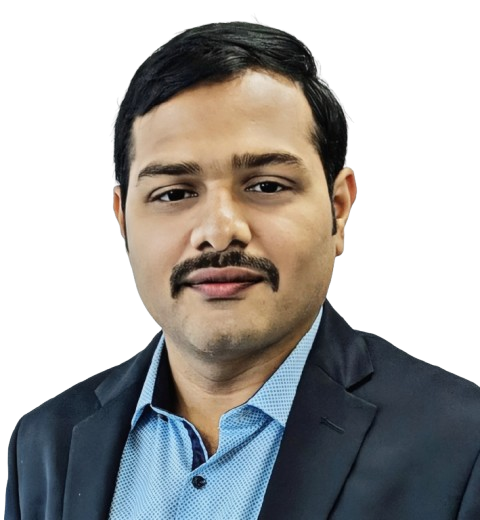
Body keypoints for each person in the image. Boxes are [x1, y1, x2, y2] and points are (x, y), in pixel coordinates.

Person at [5, 19, 480, 520]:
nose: (219, 231)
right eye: (174, 193)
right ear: (122, 221)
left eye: (267, 186)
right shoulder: (45, 440)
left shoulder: (464, 445)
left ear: (339, 209)